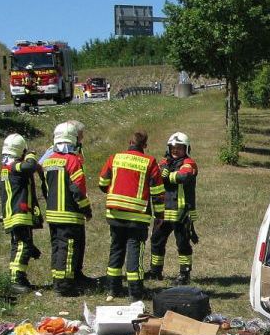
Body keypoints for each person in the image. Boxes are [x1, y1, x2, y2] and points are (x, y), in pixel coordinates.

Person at [98, 131, 164, 300]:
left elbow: (102, 183)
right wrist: (159, 215)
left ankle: (113, 288)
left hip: (115, 214)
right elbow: (157, 192)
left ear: (129, 142)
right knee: (135, 250)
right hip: (137, 217)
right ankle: (135, 292)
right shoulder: (149, 162)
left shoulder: (115, 158)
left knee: (116, 248)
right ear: (145, 146)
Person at [41, 123, 93, 296]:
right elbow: (78, 189)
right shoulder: (72, 160)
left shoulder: (48, 160)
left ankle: (60, 279)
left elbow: (44, 187)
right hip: (69, 214)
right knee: (68, 248)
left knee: (57, 247)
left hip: (52, 212)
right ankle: (64, 286)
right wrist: (86, 209)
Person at [147, 132, 198, 284]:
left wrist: (167, 176)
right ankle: (155, 271)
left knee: (182, 243)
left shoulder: (189, 163)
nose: (176, 151)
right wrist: (163, 174)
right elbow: (155, 173)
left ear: (186, 149)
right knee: (156, 240)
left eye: (180, 148)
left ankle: (184, 274)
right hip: (163, 211)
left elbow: (184, 177)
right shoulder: (164, 162)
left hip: (181, 211)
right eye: (173, 148)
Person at [0, 133, 43, 293]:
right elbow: (29, 167)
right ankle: (16, 280)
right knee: (21, 246)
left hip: (14, 213)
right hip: (18, 213)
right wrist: (31, 156)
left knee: (21, 245)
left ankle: (21, 278)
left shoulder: (6, 166)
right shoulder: (13, 166)